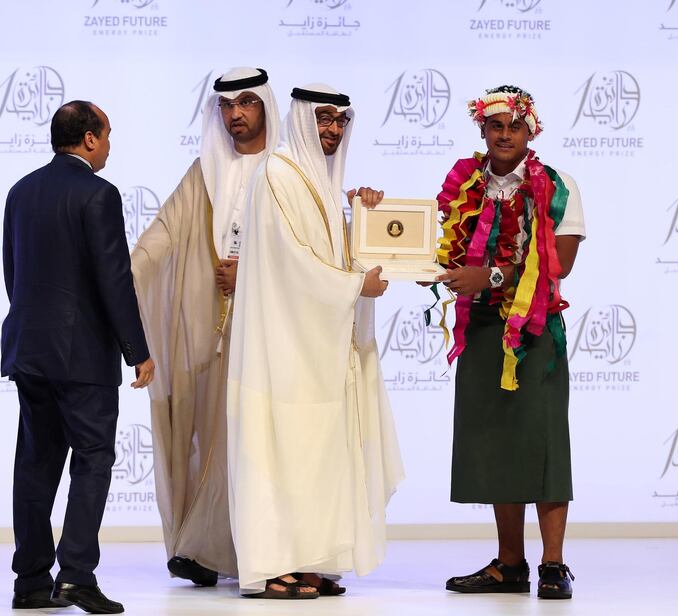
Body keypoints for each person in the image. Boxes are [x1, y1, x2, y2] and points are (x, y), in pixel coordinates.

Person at [227, 84, 404, 600]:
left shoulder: (321, 181)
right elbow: (292, 263)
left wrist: (364, 219)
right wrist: (355, 286)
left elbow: (330, 254)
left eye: (340, 122)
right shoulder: (279, 173)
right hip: (282, 349)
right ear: (304, 119)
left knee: (319, 455)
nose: (332, 130)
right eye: (323, 119)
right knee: (280, 454)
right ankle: (272, 563)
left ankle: (312, 560)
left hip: (319, 349)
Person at [130, 67, 281, 586]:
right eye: (226, 106)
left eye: (246, 103)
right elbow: (164, 234)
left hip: (270, 331)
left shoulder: (286, 168)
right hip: (211, 327)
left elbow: (308, 248)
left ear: (264, 106)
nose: (236, 114)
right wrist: (117, 280)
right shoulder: (205, 170)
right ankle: (204, 548)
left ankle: (257, 549)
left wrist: (253, 268)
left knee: (255, 441)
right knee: (209, 435)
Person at [2, 100, 154, 613]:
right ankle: (75, 577)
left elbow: (13, 276)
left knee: (36, 463)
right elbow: (115, 280)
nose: (110, 142)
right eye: (108, 133)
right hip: (83, 356)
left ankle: (29, 583)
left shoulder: (19, 192)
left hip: (28, 349)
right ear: (89, 139)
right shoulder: (99, 193)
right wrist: (138, 350)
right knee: (93, 460)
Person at [434, 85, 585, 599]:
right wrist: (437, 271)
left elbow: (558, 264)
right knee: (499, 444)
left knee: (542, 445)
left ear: (530, 131)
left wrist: (489, 278)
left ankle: (554, 564)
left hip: (536, 331)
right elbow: (453, 250)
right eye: (495, 126)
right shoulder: (466, 185)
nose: (504, 135)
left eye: (513, 127)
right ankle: (510, 564)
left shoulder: (556, 185)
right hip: (481, 331)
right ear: (482, 130)